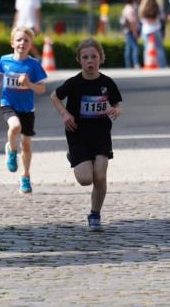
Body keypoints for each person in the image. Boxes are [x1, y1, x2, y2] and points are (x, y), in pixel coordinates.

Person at [50, 38, 122, 230]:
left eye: (94, 57)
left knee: (100, 175)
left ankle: (95, 214)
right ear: (79, 60)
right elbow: (54, 96)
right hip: (78, 135)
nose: (90, 61)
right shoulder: (74, 83)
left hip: (101, 135)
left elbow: (117, 104)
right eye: (85, 57)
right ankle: (73, 156)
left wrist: (115, 110)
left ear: (101, 59)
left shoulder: (107, 83)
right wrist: (65, 114)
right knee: (85, 179)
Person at [0, 26, 47, 194]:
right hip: (8, 103)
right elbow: (0, 75)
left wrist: (29, 85)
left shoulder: (33, 65)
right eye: (19, 40)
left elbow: (42, 89)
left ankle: (25, 177)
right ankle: (12, 150)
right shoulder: (4, 60)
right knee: (15, 127)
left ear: (31, 44)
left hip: (27, 109)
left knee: (26, 145)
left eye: (26, 40)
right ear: (12, 43)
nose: (22, 43)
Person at [139, 0, 166, 67]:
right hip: (156, 29)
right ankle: (162, 65)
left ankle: (147, 64)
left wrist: (142, 3)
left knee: (146, 48)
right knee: (159, 48)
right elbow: (162, 17)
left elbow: (140, 18)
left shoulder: (144, 9)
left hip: (146, 30)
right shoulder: (157, 8)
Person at [120, 0, 140, 69]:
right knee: (135, 47)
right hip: (131, 30)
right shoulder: (131, 9)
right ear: (132, 0)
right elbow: (132, 22)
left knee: (128, 48)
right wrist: (135, 32)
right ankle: (136, 63)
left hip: (126, 30)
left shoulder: (125, 8)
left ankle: (128, 65)